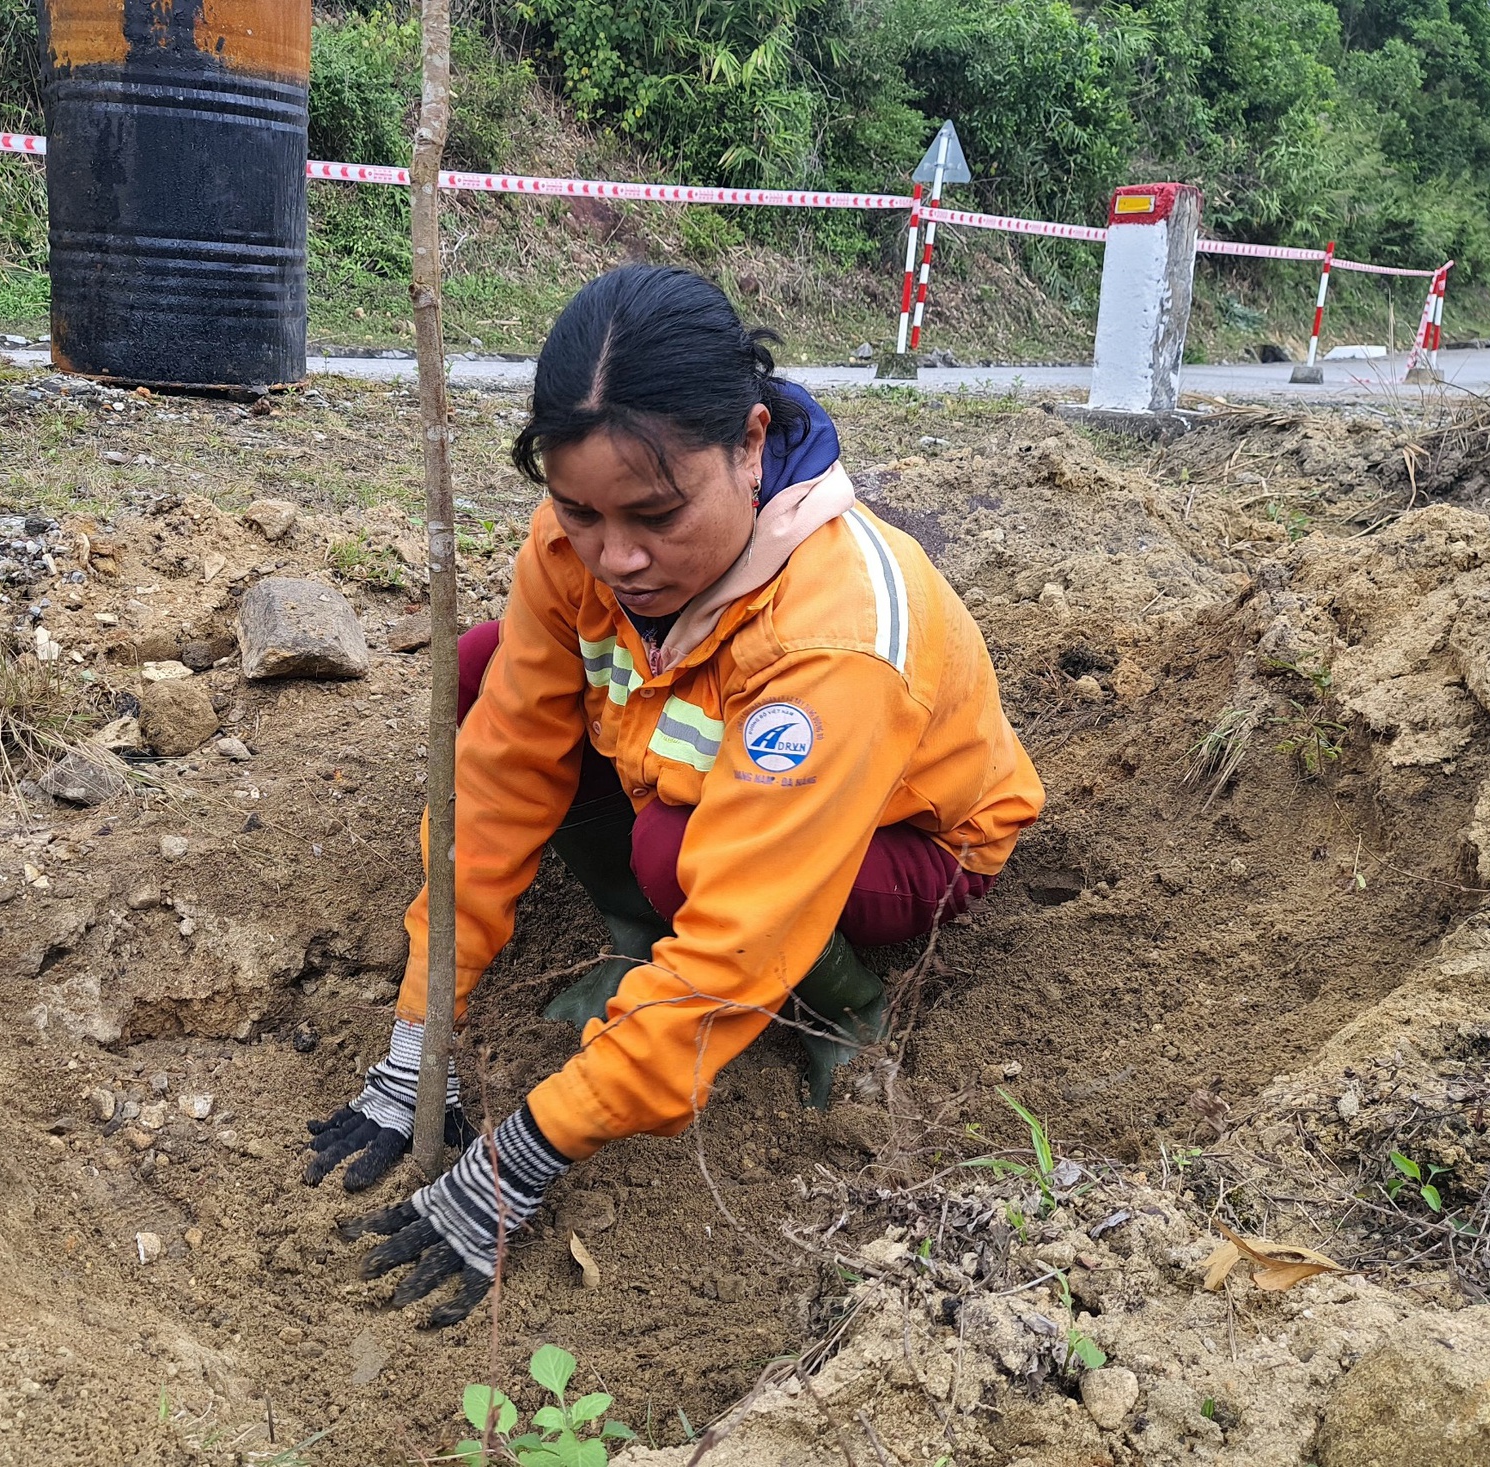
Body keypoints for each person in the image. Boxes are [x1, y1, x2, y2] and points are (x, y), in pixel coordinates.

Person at [303, 265, 1046, 1326]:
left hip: (910, 849)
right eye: (579, 512)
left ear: (749, 444)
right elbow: (502, 769)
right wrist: (422, 1035)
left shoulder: (833, 636)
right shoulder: (576, 549)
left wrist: (520, 1157)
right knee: (481, 671)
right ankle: (630, 937)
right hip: (696, 777)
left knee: (673, 850)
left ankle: (844, 1007)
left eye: (655, 514)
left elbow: (736, 940)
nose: (619, 556)